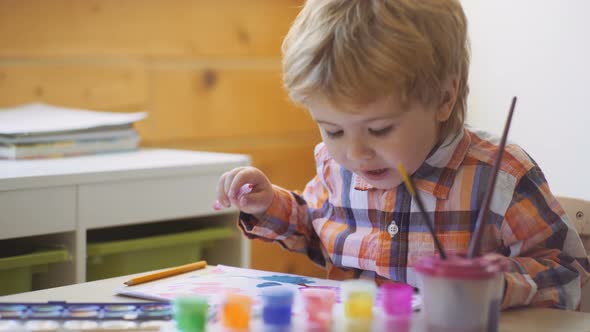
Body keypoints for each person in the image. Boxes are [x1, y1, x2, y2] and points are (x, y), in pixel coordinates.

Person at [214, 0, 589, 310]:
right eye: (333, 130)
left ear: (444, 98)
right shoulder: (335, 168)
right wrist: (268, 204)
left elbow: (568, 272)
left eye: (379, 129)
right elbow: (316, 229)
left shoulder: (500, 176)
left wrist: (496, 286)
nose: (356, 152)